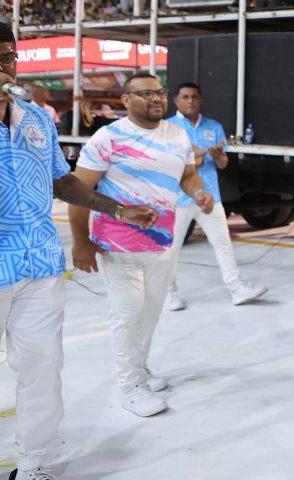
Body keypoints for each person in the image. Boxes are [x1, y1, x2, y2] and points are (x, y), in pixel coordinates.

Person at [0, 24, 156, 480]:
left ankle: (33, 462)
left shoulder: (34, 118)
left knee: (43, 367)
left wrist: (118, 208)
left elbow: (61, 180)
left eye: (10, 56)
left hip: (39, 263)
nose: (5, 65)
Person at [69, 73, 214, 418]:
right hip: (118, 246)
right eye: (145, 93)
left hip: (162, 243)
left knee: (149, 313)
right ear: (126, 100)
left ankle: (140, 368)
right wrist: (80, 240)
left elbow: (186, 173)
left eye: (160, 92)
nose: (156, 99)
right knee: (128, 315)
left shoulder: (177, 134)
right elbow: (77, 189)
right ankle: (129, 386)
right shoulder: (109, 138)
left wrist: (197, 192)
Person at [164, 83, 267, 311]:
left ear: (201, 100)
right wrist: (195, 158)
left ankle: (237, 288)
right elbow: (170, 162)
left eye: (194, 97)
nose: (190, 101)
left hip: (211, 197)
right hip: (178, 199)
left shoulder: (214, 127)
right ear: (176, 101)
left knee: (223, 244)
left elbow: (223, 164)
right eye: (185, 97)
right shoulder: (167, 128)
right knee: (171, 248)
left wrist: (219, 154)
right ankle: (168, 293)